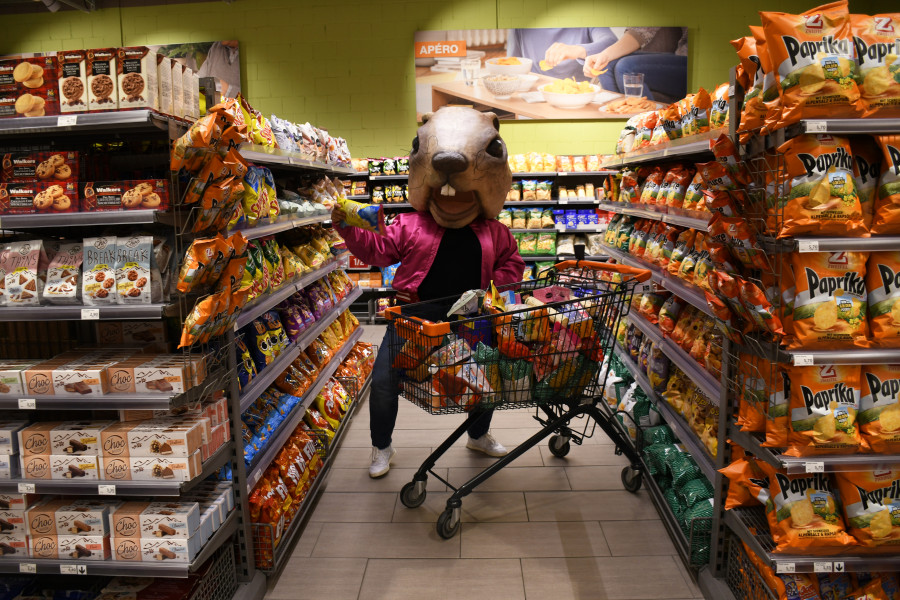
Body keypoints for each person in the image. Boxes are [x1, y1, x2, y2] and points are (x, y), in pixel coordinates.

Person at [333, 107, 526, 478]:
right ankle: (381, 447)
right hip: (414, 317)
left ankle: (478, 435)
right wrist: (348, 228)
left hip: (472, 317)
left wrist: (493, 291)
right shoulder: (409, 224)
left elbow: (511, 263)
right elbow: (378, 251)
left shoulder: (495, 231)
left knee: (485, 376)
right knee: (385, 383)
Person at [583, 27, 688, 102]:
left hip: (690, 62)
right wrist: (604, 56)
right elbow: (642, 30)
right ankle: (619, 117)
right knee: (605, 65)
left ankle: (648, 123)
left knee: (626, 68)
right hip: (678, 57)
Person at [507, 27, 617, 87]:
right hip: (533, 94)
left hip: (577, 96)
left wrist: (578, 50)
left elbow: (612, 42)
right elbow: (512, 68)